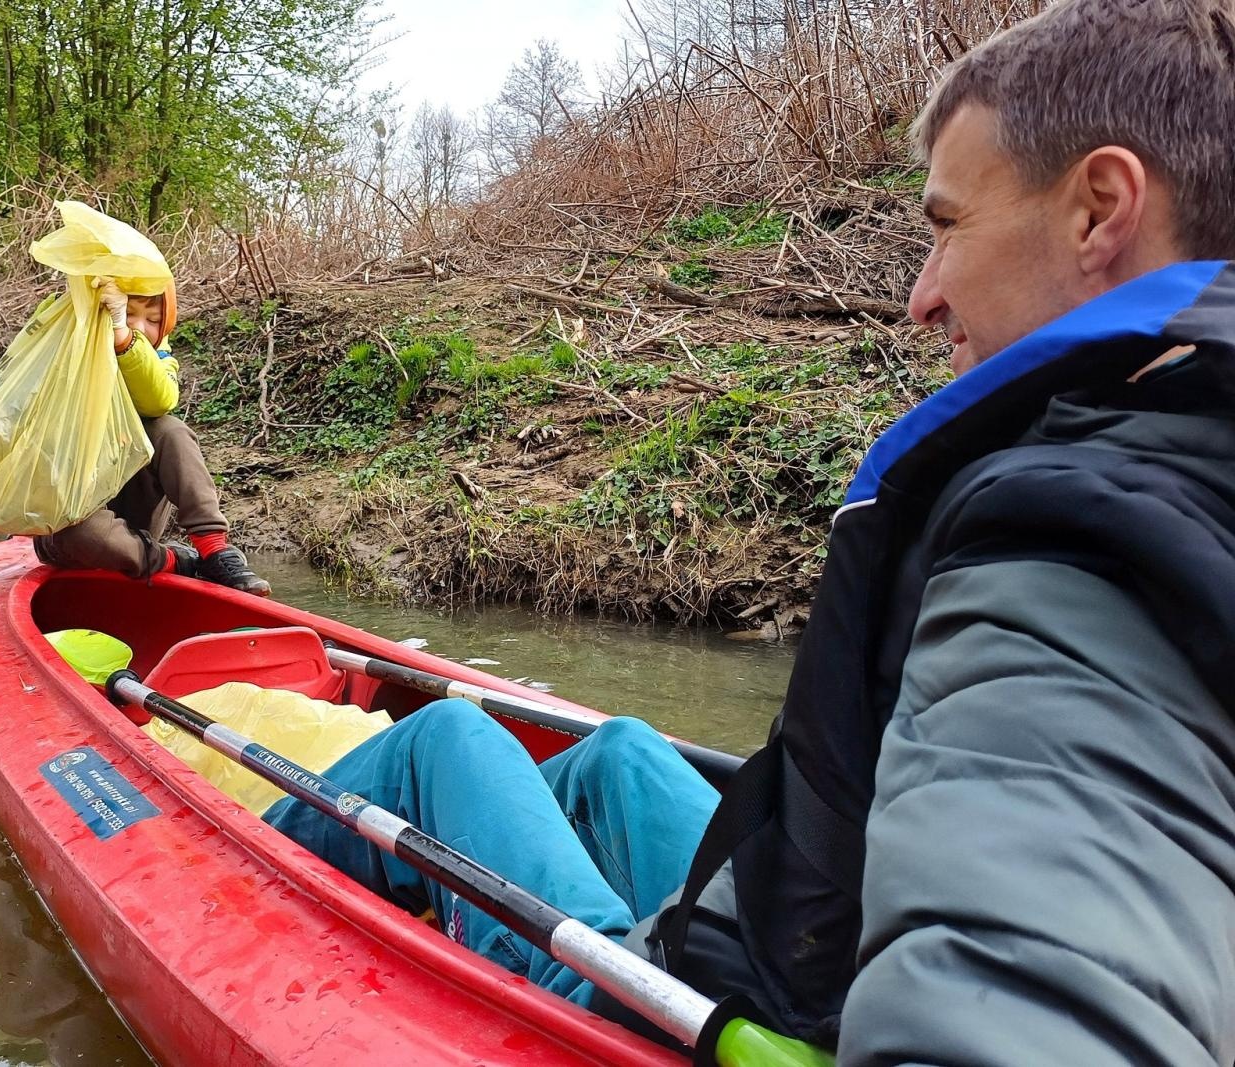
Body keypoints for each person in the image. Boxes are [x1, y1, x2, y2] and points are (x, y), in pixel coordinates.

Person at [264, 1, 1235, 1062]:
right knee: (621, 749)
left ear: (1100, 209)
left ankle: (216, 848)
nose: (921, 297)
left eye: (946, 224)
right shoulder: (1159, 458)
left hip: (686, 1026)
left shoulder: (1067, 550)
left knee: (442, 742)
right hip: (799, 957)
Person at [32, 277, 271, 596]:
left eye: (153, 320)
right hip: (70, 529)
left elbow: (157, 400)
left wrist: (122, 335)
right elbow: (44, 335)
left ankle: (214, 552)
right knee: (82, 534)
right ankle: (175, 561)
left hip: (134, 519)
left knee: (169, 429)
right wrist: (79, 295)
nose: (141, 328)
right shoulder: (67, 348)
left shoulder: (161, 361)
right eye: (128, 314)